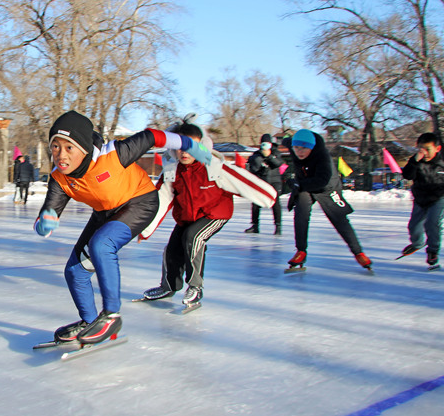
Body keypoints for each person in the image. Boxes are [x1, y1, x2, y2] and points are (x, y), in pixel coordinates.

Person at [34, 110, 213, 345]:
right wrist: (45, 223)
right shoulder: (59, 178)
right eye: (55, 147)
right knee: (74, 271)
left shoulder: (113, 155)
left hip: (140, 202)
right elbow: (46, 217)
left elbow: (152, 136)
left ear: (85, 147)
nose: (60, 155)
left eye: (69, 147)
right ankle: (89, 322)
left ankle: (111, 316)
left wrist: (190, 144)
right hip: (105, 212)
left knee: (101, 245)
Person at [138, 123, 277, 308]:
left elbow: (242, 180)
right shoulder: (172, 171)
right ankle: (169, 286)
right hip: (187, 216)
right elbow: (161, 200)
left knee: (193, 238)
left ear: (201, 146)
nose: (184, 152)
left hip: (215, 214)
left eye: (190, 147)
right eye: (179, 147)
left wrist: (268, 196)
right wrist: (145, 229)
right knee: (172, 249)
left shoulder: (213, 166)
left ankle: (195, 287)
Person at [283, 129, 372, 272]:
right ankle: (301, 251)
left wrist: (299, 185)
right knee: (300, 213)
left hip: (327, 187)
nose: (299, 152)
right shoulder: (294, 148)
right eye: (296, 147)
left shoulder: (322, 157)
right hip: (306, 184)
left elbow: (323, 181)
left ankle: (358, 252)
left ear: (311, 147)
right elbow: (286, 141)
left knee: (339, 219)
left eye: (304, 148)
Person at [399, 133, 444, 270]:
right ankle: (417, 243)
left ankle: (433, 251)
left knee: (432, 223)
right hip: (420, 198)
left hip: (439, 197)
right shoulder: (416, 162)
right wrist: (414, 161)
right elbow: (407, 175)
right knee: (413, 226)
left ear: (437, 148)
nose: (424, 153)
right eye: (420, 149)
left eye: (427, 149)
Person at [244, 133, 284, 235]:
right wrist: (258, 160)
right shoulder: (256, 154)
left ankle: (278, 226)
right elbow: (253, 168)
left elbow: (277, 163)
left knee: (275, 204)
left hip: (274, 182)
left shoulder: (276, 153)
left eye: (267, 143)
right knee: (256, 203)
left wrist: (269, 156)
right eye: (263, 143)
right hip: (261, 182)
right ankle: (255, 225)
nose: (264, 146)